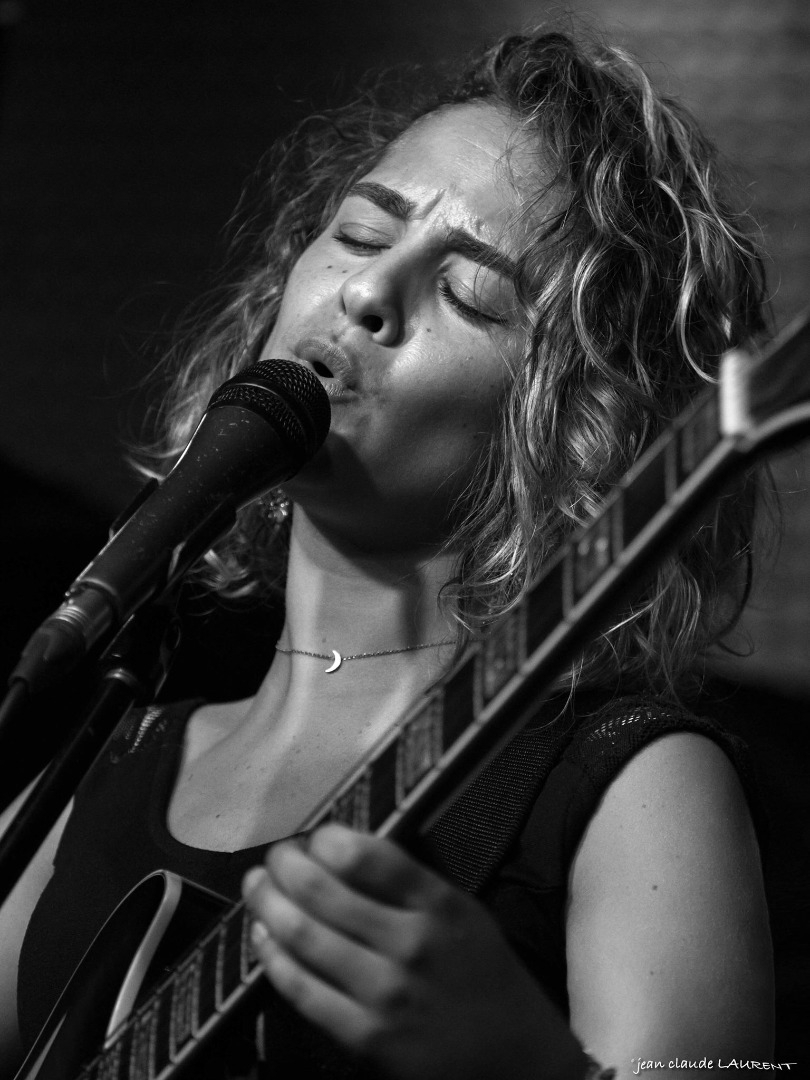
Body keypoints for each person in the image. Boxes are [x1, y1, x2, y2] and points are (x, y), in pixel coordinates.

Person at [0, 26, 774, 1080]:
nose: (368, 293)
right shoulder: (119, 756)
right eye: (361, 235)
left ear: (571, 427)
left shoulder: (632, 783)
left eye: (470, 296)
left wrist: (524, 1066)